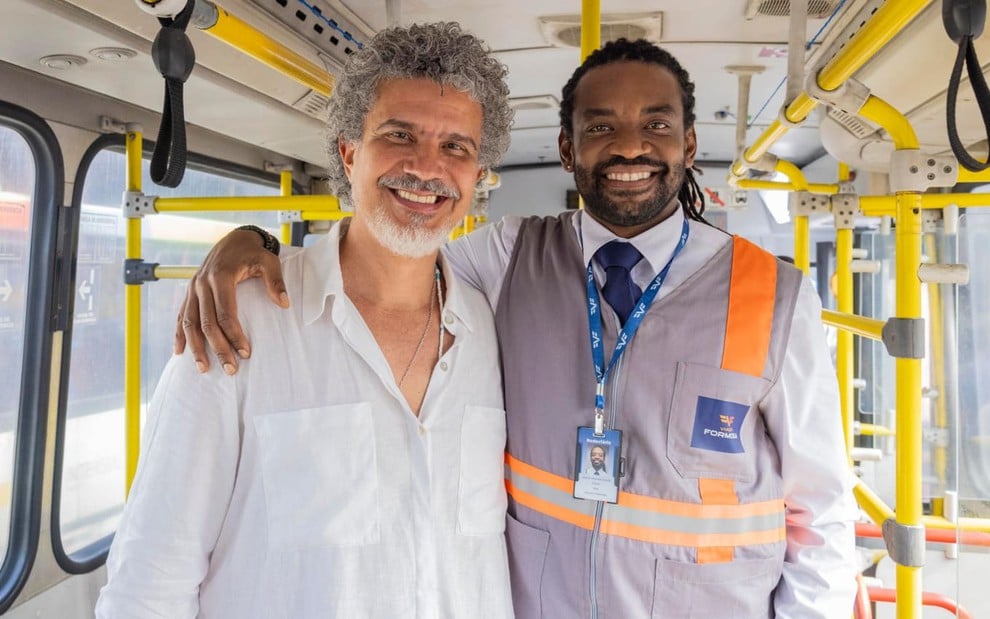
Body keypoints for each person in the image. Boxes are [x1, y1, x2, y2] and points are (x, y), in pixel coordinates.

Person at [176, 38, 859, 619]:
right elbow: (394, 248)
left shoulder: (776, 296)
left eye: (656, 125)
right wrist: (257, 243)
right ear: (566, 148)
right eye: (599, 127)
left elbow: (822, 516)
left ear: (688, 144)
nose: (629, 145)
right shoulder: (505, 260)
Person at [96, 22, 514, 618]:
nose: (427, 168)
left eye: (456, 147)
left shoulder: (490, 326)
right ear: (349, 152)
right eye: (400, 135)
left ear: (477, 175)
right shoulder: (241, 321)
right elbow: (150, 580)